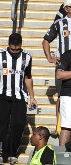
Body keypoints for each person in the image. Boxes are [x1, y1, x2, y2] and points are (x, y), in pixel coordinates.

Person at [0, 32, 35, 163]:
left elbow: (28, 77)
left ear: (21, 45)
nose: (15, 51)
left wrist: (32, 96)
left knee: (18, 124)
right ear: (8, 45)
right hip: (2, 95)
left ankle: (12, 152)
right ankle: (2, 152)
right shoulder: (1, 55)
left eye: (17, 48)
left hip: (19, 96)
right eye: (12, 48)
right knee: (2, 124)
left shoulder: (27, 57)